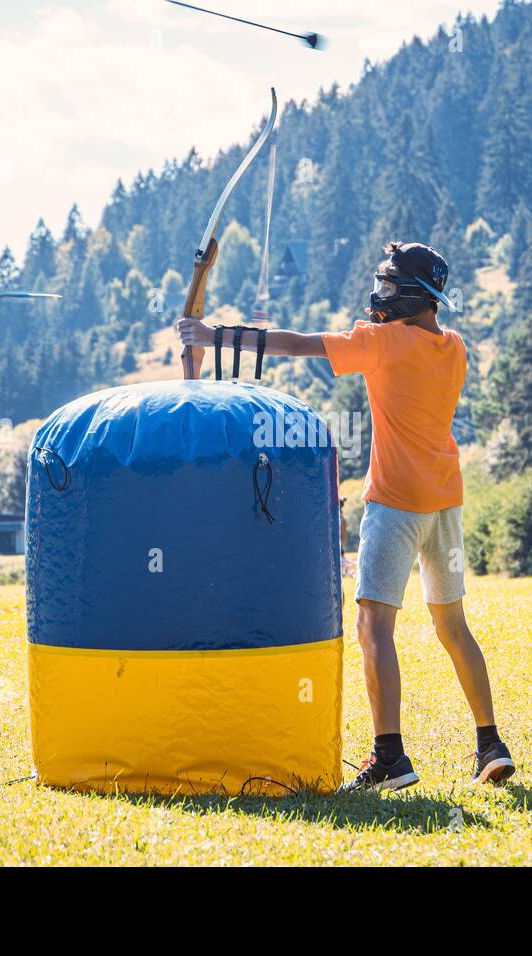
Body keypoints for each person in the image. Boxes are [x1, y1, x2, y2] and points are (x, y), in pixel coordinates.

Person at [176, 241, 514, 792]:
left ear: (413, 295)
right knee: (453, 626)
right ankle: (490, 744)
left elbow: (299, 344)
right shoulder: (454, 347)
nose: (378, 295)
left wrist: (214, 337)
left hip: (395, 504)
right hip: (445, 503)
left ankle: (390, 758)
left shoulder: (381, 342)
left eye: (387, 286)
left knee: (373, 626)